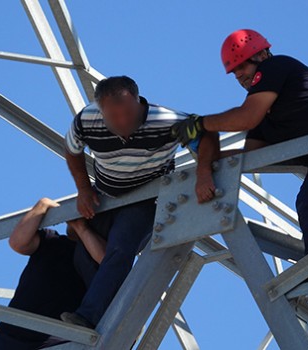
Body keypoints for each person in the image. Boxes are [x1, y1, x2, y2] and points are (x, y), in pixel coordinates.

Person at [171, 29, 308, 294]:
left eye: (242, 65)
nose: (239, 75)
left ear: (262, 54)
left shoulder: (275, 67)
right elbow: (250, 158)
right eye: (234, 71)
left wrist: (201, 124)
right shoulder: (265, 116)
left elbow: (246, 118)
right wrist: (205, 156)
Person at [61, 76, 220, 328]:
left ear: (138, 101)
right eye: (114, 117)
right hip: (105, 197)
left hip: (147, 198)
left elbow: (207, 135)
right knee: (82, 253)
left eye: (128, 113)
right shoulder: (86, 120)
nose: (123, 122)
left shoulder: (167, 122)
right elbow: (72, 149)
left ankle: (89, 317)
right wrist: (82, 188)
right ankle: (98, 316)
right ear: (101, 110)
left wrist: (203, 174)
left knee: (121, 248)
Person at [0, 198, 106, 349]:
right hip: (13, 339)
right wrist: (43, 205)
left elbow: (107, 261)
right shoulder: (53, 242)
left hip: (56, 343)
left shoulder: (98, 260)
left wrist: (82, 229)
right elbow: (18, 242)